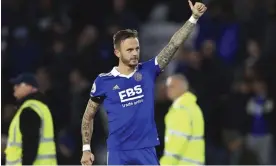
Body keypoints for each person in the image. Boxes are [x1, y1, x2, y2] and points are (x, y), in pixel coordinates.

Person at [80, 1, 207, 165]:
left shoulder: (147, 72)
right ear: (117, 52)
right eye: (129, 50)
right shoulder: (104, 81)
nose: (134, 54)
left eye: (136, 49)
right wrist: (86, 149)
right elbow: (87, 117)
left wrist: (193, 19)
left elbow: (174, 44)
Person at [5, 73, 57, 165]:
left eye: (19, 85)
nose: (15, 87)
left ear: (30, 88)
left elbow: (30, 145)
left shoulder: (29, 109)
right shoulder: (40, 107)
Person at [160, 74, 205, 165]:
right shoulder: (193, 107)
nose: (168, 89)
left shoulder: (181, 110)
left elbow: (177, 143)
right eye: (167, 86)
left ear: (182, 88)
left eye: (172, 86)